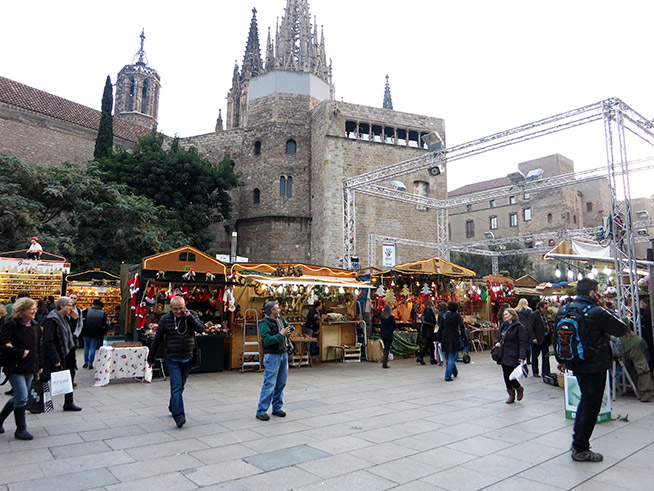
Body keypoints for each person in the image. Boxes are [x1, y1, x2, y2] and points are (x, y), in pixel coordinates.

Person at [555, 277, 627, 462]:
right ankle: (580, 448)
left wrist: (561, 360)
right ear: (592, 292)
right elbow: (621, 328)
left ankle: (578, 442)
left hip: (575, 363)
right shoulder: (596, 311)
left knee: (585, 400)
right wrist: (605, 307)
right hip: (594, 365)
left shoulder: (563, 310)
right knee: (591, 404)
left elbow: (555, 337)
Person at [147, 296, 205, 428]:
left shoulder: (192, 315)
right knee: (176, 386)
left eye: (181, 308)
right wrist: (151, 358)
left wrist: (189, 317)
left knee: (181, 386)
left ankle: (173, 404)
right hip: (172, 358)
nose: (179, 311)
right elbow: (157, 339)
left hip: (188, 357)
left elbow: (201, 329)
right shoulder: (165, 319)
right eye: (175, 309)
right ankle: (179, 416)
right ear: (171, 308)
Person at [0, 298, 42, 440]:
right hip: (14, 367)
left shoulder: (36, 325)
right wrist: (19, 352)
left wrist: (39, 365)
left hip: (30, 367)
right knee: (22, 396)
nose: (34, 311)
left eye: (35, 308)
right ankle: (21, 429)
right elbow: (2, 345)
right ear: (22, 310)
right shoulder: (11, 325)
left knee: (19, 396)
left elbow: (38, 348)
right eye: (31, 308)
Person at [41, 296, 82, 411]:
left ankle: (69, 402)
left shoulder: (66, 318)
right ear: (61, 306)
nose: (72, 308)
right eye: (69, 305)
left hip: (67, 353)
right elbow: (48, 341)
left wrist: (74, 319)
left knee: (69, 376)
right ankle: (37, 401)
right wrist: (55, 358)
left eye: (73, 305)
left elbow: (69, 333)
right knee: (45, 378)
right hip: (56, 354)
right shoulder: (52, 320)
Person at [256, 301, 293, 420]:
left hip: (283, 353)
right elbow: (267, 340)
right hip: (272, 355)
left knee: (281, 383)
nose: (279, 310)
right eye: (277, 308)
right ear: (272, 311)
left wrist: (290, 329)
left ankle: (277, 408)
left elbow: (288, 325)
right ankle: (261, 410)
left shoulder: (280, 319)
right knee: (270, 383)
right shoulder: (264, 323)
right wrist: (281, 334)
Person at [494, 308, 527, 404]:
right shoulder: (504, 325)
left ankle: (518, 388)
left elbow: (522, 343)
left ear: (512, 315)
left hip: (513, 353)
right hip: (503, 353)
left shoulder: (519, 327)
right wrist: (497, 343)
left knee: (510, 375)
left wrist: (522, 356)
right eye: (504, 314)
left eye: (507, 314)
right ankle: (511, 394)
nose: (505, 316)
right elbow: (499, 337)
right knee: (505, 375)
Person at [436, 301, 466, 381]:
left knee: (449, 356)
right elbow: (462, 326)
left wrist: (439, 338)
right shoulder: (457, 316)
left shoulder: (444, 315)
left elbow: (441, 327)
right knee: (452, 357)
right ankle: (447, 376)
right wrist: (463, 335)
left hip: (445, 337)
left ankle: (455, 372)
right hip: (454, 337)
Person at [81, 299, 108, 369]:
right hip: (96, 333)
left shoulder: (87, 311)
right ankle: (90, 363)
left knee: (86, 347)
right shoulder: (102, 313)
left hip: (86, 332)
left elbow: (80, 317)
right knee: (93, 347)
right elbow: (104, 324)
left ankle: (85, 363)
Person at [527, 301, 551, 378]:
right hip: (537, 338)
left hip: (545, 338)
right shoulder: (533, 315)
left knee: (546, 356)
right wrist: (533, 337)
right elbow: (530, 327)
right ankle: (535, 371)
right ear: (540, 308)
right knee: (535, 356)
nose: (546, 309)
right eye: (545, 308)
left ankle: (546, 371)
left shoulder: (545, 315)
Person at [416, 300, 437, 365]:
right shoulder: (429, 311)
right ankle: (421, 356)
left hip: (426, 329)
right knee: (429, 344)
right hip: (429, 330)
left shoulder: (425, 311)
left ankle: (432, 358)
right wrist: (435, 321)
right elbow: (429, 319)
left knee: (431, 345)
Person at [379, 304, 397, 369]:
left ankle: (384, 360)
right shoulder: (391, 317)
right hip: (389, 334)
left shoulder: (382, 317)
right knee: (387, 347)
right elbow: (394, 326)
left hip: (383, 333)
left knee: (385, 347)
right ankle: (385, 362)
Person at [640, 296, 653, 371]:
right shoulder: (646, 312)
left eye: (642, 303)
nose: (641, 304)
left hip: (647, 335)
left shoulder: (646, 313)